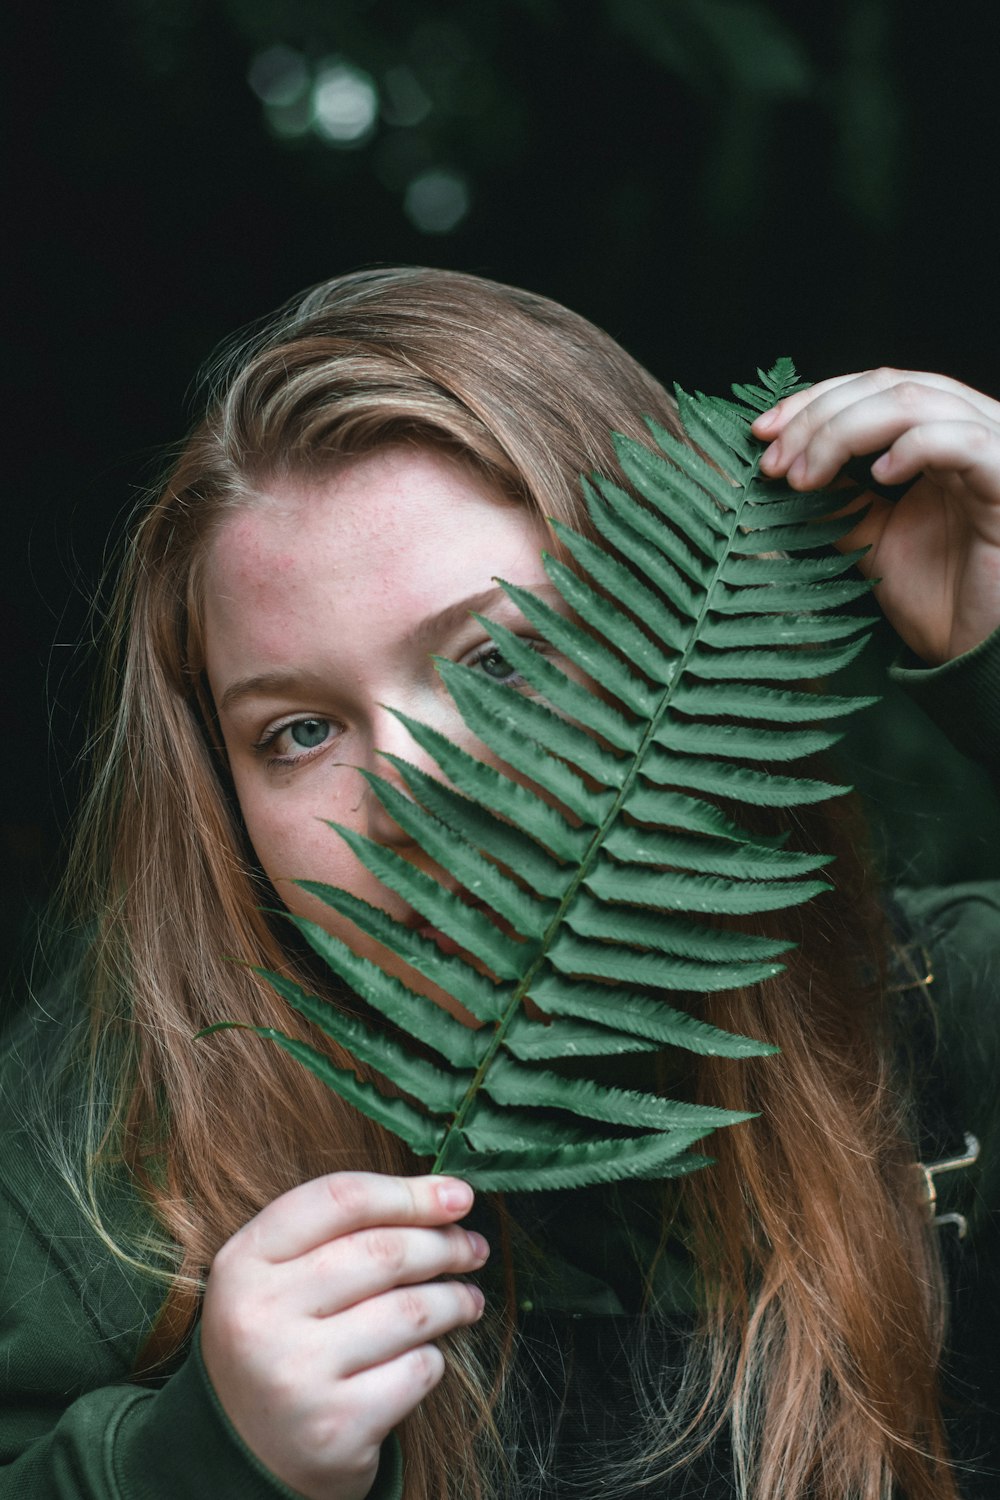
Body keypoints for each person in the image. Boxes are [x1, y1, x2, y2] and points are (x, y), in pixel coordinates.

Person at [1, 267, 998, 1500]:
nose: (414, 793)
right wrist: (195, 1459)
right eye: (299, 732)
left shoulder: (946, 1027)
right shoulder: (104, 1177)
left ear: (697, 658)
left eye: (501, 659)